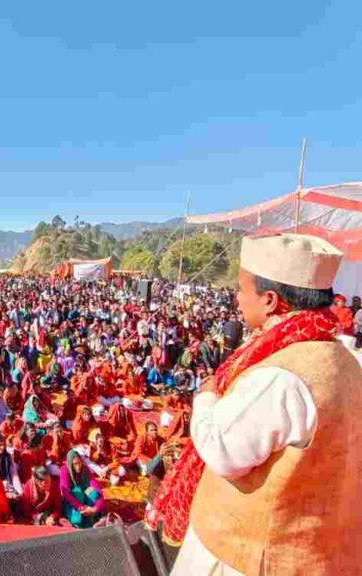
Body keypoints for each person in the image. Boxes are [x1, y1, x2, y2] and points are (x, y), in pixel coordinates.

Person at [151, 233, 362, 575]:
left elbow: (223, 450)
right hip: (322, 553)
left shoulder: (281, 375)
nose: (236, 298)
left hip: (250, 557)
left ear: (269, 300)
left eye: (241, 288)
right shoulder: (344, 359)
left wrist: (206, 395)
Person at [60, 449, 105, 529]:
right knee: (77, 492)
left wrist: (95, 508)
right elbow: (65, 493)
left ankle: (93, 515)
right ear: (70, 464)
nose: (78, 466)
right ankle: (76, 521)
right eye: (75, 464)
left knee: (94, 493)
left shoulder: (85, 469)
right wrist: (81, 507)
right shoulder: (64, 470)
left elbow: (96, 487)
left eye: (79, 463)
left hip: (84, 491)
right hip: (73, 499)